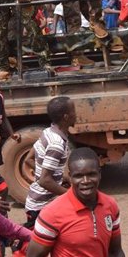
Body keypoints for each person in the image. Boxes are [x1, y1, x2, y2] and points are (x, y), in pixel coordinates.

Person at [26, 147, 125, 257]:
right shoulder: (52, 213)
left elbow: (115, 252)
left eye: (91, 174)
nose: (86, 181)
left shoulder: (110, 205)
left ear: (99, 174)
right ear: (70, 176)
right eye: (78, 176)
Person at [24, 97, 77, 228]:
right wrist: (71, 195)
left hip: (37, 203)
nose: (76, 114)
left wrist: (60, 177)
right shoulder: (57, 144)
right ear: (66, 117)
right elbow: (44, 180)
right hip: (41, 207)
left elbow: (29, 159)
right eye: (74, 111)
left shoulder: (48, 132)